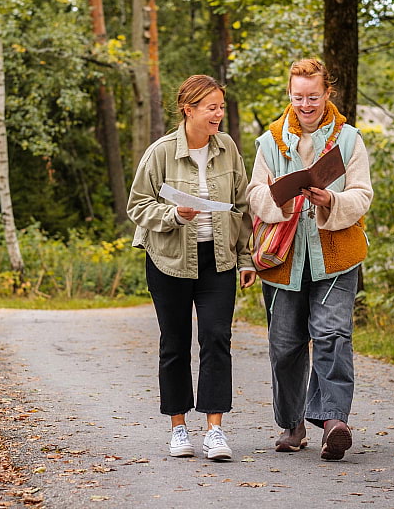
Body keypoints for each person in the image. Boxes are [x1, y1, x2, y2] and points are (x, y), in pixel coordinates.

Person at [247, 58, 373, 461]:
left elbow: (363, 194)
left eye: (313, 96)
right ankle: (292, 423)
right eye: (298, 96)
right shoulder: (269, 142)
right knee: (284, 345)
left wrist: (331, 200)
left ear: (327, 94)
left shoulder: (349, 139)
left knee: (333, 335)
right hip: (284, 258)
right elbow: (254, 193)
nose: (305, 104)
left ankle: (333, 420)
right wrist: (278, 201)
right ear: (289, 94)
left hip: (336, 254)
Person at [127, 74, 256, 461]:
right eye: (211, 107)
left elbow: (242, 207)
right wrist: (174, 215)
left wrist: (246, 258)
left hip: (218, 260)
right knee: (174, 343)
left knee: (217, 339)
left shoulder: (228, 148)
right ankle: (178, 427)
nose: (219, 114)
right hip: (168, 260)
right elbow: (137, 206)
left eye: (220, 106)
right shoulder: (161, 152)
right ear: (189, 109)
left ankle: (215, 431)